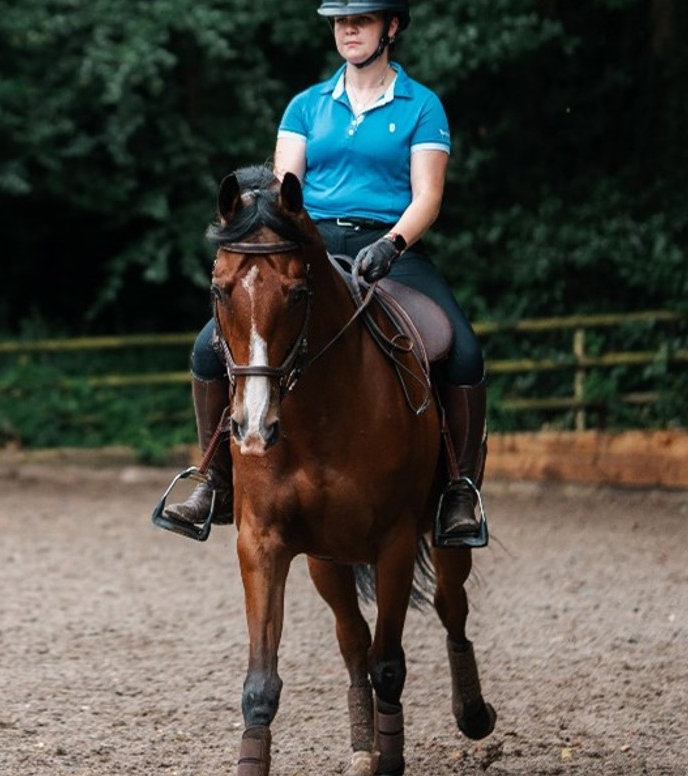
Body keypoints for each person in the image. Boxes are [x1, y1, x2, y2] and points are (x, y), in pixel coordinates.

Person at [161, 0, 490, 546]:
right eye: (341, 22)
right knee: (205, 349)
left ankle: (458, 489)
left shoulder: (421, 107)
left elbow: (428, 196)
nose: (349, 30)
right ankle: (214, 478)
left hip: (392, 247)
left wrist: (392, 243)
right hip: (309, 245)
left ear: (392, 27)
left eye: (360, 20)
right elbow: (286, 194)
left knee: (465, 352)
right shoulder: (307, 106)